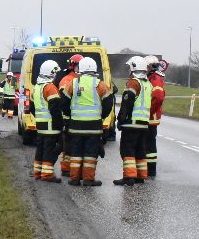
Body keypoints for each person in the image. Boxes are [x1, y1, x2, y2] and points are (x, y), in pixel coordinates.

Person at [60, 57, 114, 186]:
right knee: (90, 154)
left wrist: (70, 115)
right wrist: (101, 116)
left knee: (76, 153)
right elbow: (108, 103)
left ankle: (74, 179)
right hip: (94, 127)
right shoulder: (100, 84)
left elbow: (64, 102)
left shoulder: (72, 83)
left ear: (81, 69)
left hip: (75, 126)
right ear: (94, 69)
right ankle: (88, 179)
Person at [113, 56, 153, 186]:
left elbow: (127, 103)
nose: (128, 70)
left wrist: (120, 119)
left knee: (127, 150)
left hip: (131, 123)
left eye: (130, 67)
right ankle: (141, 176)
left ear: (134, 67)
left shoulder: (133, 83)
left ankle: (129, 177)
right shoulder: (148, 84)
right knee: (140, 150)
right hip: (143, 123)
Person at [30, 60, 63, 183]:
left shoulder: (36, 87)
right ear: (51, 73)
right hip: (51, 126)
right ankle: (47, 174)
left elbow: (33, 108)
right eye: (55, 72)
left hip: (40, 125)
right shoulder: (50, 88)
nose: (56, 75)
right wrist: (60, 125)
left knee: (40, 149)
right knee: (50, 149)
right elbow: (56, 110)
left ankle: (38, 172)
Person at [57, 54, 84, 176]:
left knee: (75, 144)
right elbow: (64, 101)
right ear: (74, 66)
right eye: (80, 66)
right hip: (68, 117)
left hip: (77, 117)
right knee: (68, 144)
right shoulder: (67, 80)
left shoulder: (79, 80)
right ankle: (67, 168)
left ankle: (73, 168)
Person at [145, 55, 166, 177]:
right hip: (151, 117)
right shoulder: (152, 77)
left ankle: (151, 170)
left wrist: (148, 111)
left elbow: (158, 97)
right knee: (149, 143)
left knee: (149, 144)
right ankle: (149, 169)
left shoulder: (155, 78)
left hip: (150, 118)